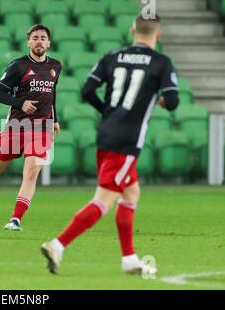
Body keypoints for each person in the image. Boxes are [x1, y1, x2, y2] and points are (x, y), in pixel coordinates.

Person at [41, 14, 179, 275]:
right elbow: (172, 101)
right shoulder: (161, 62)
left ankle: (129, 259)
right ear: (158, 35)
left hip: (105, 134)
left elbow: (86, 90)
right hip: (127, 141)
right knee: (103, 200)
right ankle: (58, 245)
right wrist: (160, 101)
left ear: (132, 30)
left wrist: (107, 112)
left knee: (131, 192)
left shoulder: (112, 56)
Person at [0, 24, 62, 231]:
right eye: (35, 38)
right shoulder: (18, 66)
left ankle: (15, 219)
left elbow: (51, 94)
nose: (39, 41)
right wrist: (20, 103)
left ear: (49, 43)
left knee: (31, 172)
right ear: (28, 42)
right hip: (17, 126)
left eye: (43, 38)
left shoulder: (56, 66)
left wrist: (54, 118)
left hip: (42, 128)